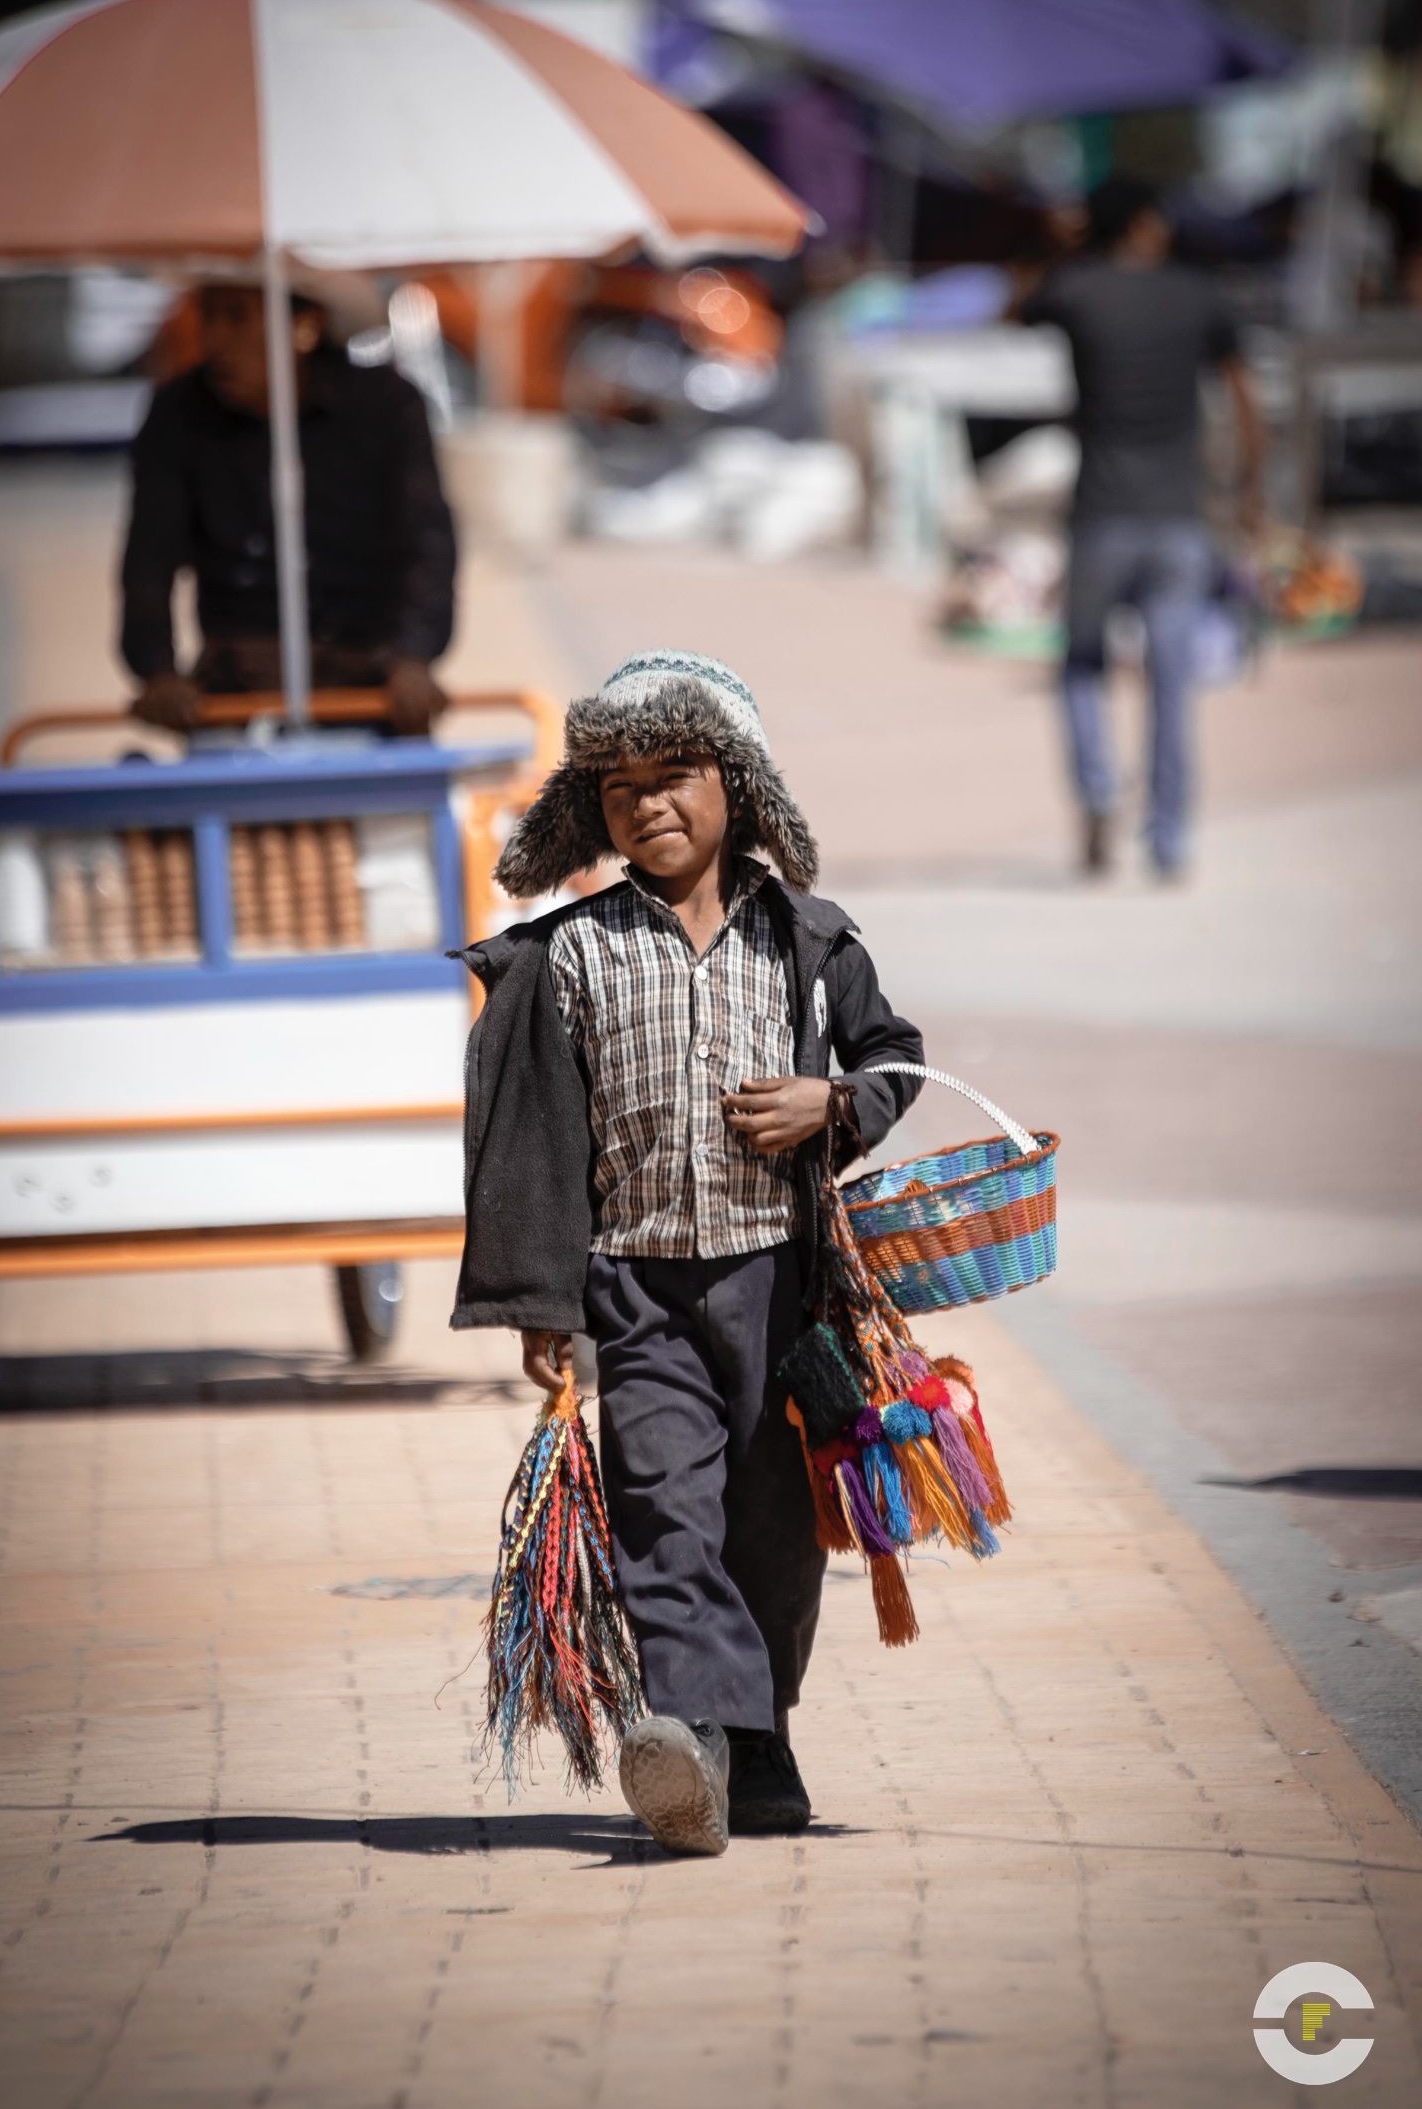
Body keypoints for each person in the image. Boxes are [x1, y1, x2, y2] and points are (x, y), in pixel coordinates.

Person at [452, 650, 925, 1854]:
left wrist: (832, 1105)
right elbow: (530, 1145)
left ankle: (757, 1744)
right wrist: (540, 1303)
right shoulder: (564, 956)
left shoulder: (809, 941)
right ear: (590, 808)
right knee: (664, 1514)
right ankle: (685, 1742)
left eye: (676, 776)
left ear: (741, 787)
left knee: (772, 1532)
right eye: (619, 787)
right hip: (638, 1294)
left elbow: (896, 1063)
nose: (648, 804)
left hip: (782, 1292)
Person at [1018, 177, 1266, 877]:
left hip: (1100, 514)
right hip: (1181, 517)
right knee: (1171, 682)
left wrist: (1059, 245)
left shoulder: (1075, 289)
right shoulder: (1197, 292)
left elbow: (1017, 305)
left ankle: (1097, 789)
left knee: (1083, 664)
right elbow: (1245, 394)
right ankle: (1168, 838)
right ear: (1150, 223)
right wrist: (1251, 489)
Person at [120, 283, 456, 735]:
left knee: (402, 800)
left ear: (305, 327)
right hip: (235, 686)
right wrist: (158, 672)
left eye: (237, 316)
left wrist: (413, 658)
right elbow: (148, 558)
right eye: (209, 318)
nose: (215, 340)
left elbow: (428, 542)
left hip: (370, 681)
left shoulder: (386, 405)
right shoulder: (178, 414)